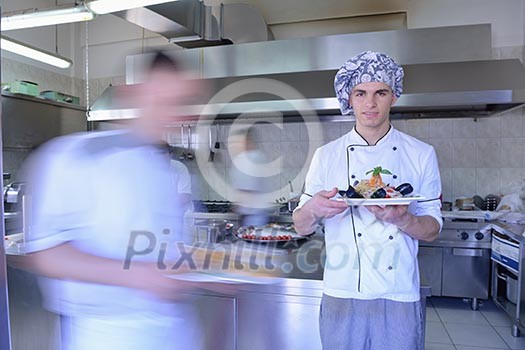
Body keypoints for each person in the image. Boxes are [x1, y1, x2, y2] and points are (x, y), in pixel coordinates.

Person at [20, 51, 210, 350]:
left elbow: (161, 249)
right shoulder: (74, 155)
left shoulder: (162, 166)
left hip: (174, 329)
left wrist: (204, 269)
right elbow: (48, 254)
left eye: (179, 102)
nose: (171, 112)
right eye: (161, 100)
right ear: (130, 94)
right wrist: (140, 276)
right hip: (108, 334)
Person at [293, 51, 442, 350]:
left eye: (380, 93)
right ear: (349, 99)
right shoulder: (327, 155)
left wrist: (403, 219)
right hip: (341, 291)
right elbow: (299, 225)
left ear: (394, 97)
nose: (370, 103)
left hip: (398, 293)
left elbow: (433, 229)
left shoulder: (421, 154)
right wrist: (313, 209)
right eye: (360, 93)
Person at [228, 127, 271, 227]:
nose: (234, 146)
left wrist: (236, 204)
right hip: (251, 213)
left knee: (250, 240)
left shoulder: (252, 158)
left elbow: (248, 187)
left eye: (238, 142)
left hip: (253, 215)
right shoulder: (247, 157)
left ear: (247, 141)